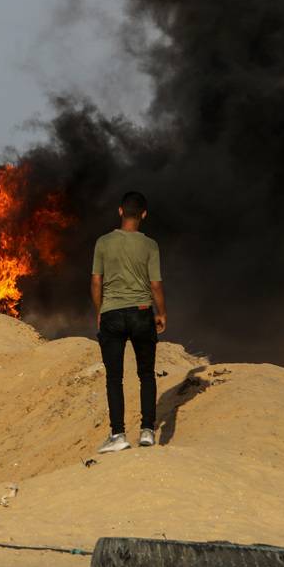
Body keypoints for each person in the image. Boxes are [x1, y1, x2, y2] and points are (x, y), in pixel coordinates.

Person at [91, 191, 166, 454]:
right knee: (146, 374)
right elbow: (155, 284)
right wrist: (162, 312)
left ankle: (118, 435)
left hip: (112, 314)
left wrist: (100, 311)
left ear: (120, 211)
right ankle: (147, 431)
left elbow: (96, 282)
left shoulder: (102, 242)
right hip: (142, 311)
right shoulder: (150, 245)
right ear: (144, 214)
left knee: (114, 377)